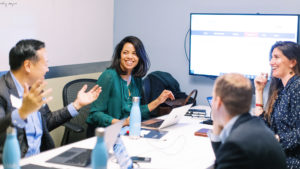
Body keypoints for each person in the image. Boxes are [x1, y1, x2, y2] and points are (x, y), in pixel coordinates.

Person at [0, 39, 102, 162]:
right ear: (28, 65)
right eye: (45, 64)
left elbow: (47, 122)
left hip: (39, 160)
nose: (47, 69)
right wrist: (22, 113)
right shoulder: (2, 91)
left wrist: (76, 104)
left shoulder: (35, 88)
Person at [86, 36, 174, 135]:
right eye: (125, 53)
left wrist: (158, 101)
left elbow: (135, 112)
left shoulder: (136, 79)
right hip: (107, 134)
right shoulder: (108, 76)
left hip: (127, 132)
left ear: (140, 57)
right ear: (119, 56)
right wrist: (122, 123)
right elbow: (95, 114)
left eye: (134, 53)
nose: (130, 57)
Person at [209, 73, 286, 169]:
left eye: (213, 100)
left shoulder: (236, 145)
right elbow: (222, 162)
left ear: (218, 102)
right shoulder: (258, 126)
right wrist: (217, 126)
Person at [254, 41, 300, 168]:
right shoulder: (282, 90)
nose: (271, 62)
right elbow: (267, 131)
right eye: (271, 57)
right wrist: (259, 91)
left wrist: (276, 139)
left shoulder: (297, 87)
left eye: (276, 57)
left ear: (292, 62)